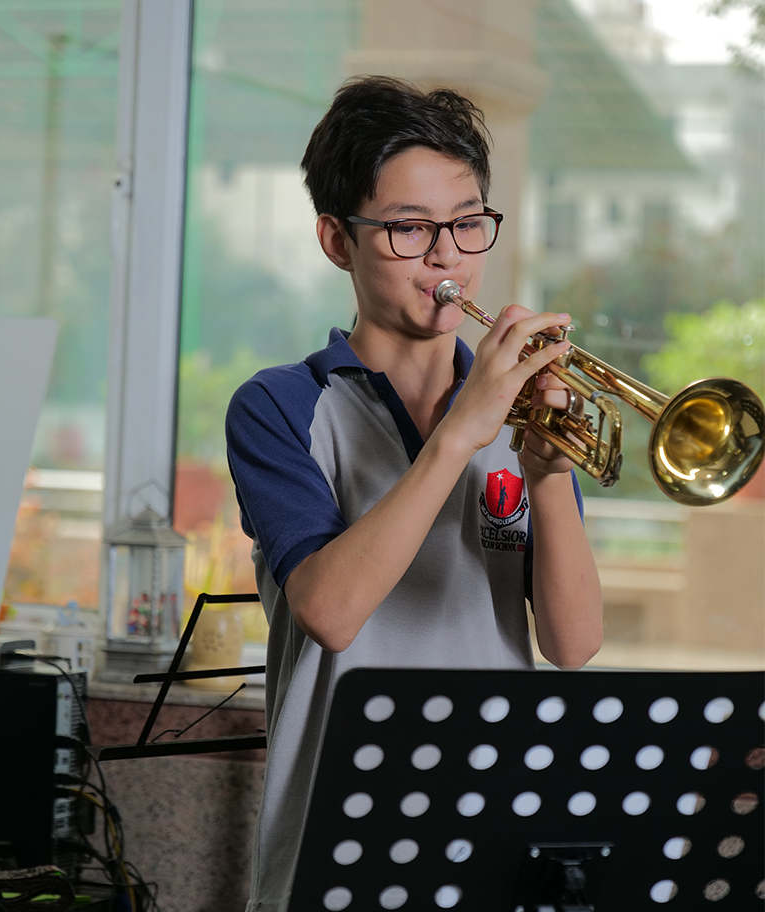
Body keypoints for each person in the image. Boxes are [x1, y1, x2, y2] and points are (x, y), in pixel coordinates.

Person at [226, 75, 603, 912]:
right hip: (336, 833)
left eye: (468, 223)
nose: (447, 257)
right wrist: (461, 432)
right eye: (408, 229)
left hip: (500, 824)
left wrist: (547, 474)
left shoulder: (517, 404)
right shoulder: (280, 404)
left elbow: (573, 644)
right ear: (336, 239)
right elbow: (329, 611)